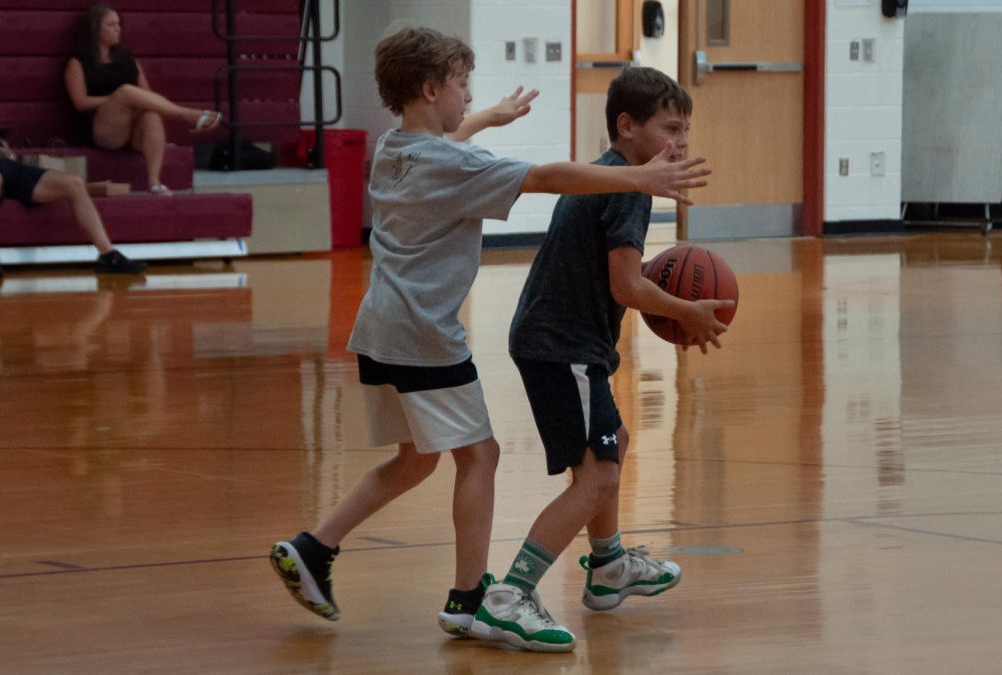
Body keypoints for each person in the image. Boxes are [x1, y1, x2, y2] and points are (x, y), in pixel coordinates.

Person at [268, 28, 709, 643]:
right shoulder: (454, 164)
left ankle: (314, 548)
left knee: (416, 458)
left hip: (379, 328)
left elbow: (447, 137)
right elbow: (548, 177)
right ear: (430, 87)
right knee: (481, 455)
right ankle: (472, 599)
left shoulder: (397, 148)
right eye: (461, 85)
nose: (466, 95)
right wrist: (637, 182)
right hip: (424, 334)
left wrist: (485, 118)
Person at [469, 67, 732, 653]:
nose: (681, 142)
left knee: (614, 441)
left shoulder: (610, 174)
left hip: (559, 341)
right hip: (563, 346)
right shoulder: (628, 186)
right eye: (671, 128)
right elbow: (627, 287)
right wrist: (686, 312)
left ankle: (610, 565)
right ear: (627, 125)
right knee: (598, 477)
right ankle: (510, 597)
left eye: (687, 129)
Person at [0, 68, 148, 279]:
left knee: (74, 183)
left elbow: (10, 161)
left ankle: (108, 255)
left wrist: (9, 154)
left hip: (4, 166)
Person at [65, 3, 222, 195]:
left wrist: (129, 101)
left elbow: (147, 95)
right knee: (125, 92)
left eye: (118, 24)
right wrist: (117, 100)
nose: (118, 29)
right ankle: (188, 115)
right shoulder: (78, 61)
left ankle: (154, 181)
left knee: (151, 114)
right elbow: (80, 102)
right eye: (111, 25)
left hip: (133, 128)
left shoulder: (127, 58)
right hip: (103, 128)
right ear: (95, 28)